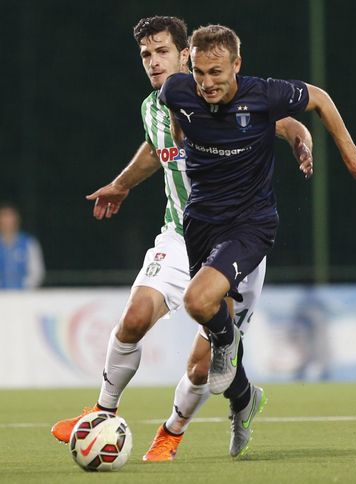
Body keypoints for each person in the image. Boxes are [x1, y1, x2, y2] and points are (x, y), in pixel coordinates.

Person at [51, 16, 313, 459]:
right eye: (146, 55)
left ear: (186, 54)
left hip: (235, 240)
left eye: (162, 52)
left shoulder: (227, 99)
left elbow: (286, 124)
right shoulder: (155, 105)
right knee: (134, 317)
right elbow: (157, 150)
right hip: (179, 235)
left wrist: (302, 143)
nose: (153, 63)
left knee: (203, 365)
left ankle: (174, 430)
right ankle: (100, 412)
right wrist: (122, 184)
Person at [157, 22, 356, 452]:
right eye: (200, 72)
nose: (206, 83)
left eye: (217, 73)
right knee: (207, 354)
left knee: (198, 303)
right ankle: (245, 398)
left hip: (251, 223)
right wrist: (183, 141)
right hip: (201, 220)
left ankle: (227, 344)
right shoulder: (177, 91)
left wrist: (350, 155)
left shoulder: (263, 95)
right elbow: (177, 117)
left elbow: (319, 98)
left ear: (237, 65)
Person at [0, 202, 45, 289]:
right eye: (3, 216)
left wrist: (23, 287)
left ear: (17, 218)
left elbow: (37, 272)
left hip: (24, 296)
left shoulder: (29, 243)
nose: (7, 220)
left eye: (10, 216)